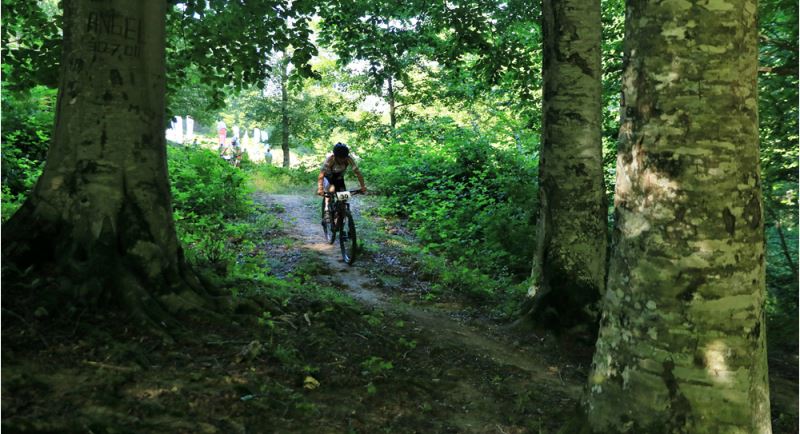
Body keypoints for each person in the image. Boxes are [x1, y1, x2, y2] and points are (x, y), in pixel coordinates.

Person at [317, 143, 367, 214]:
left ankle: (340, 215)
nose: (342, 159)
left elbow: (358, 173)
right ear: (335, 156)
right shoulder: (330, 160)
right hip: (328, 177)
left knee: (343, 198)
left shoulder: (349, 159)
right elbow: (321, 175)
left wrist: (363, 186)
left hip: (339, 178)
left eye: (344, 157)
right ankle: (327, 209)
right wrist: (320, 188)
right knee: (330, 192)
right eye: (340, 158)